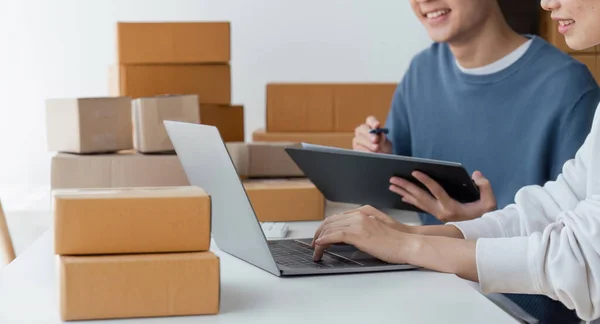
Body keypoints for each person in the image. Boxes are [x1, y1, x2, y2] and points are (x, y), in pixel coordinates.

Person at [316, 1, 600, 322]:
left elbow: (580, 254)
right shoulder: (421, 71)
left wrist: (408, 246)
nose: (547, 2)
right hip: (446, 288)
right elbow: (549, 208)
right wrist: (411, 235)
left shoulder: (568, 85)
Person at [353, 0, 599, 226]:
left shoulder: (568, 86)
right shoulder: (422, 70)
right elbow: (395, 189)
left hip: (512, 272)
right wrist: (378, 156)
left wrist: (483, 227)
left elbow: (580, 230)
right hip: (428, 266)